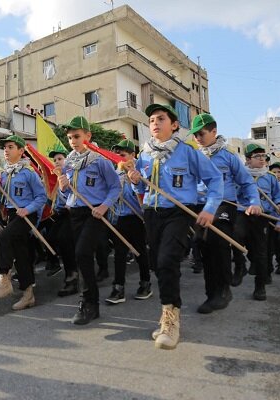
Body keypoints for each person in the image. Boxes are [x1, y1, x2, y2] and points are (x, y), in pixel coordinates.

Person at [127, 104, 223, 350]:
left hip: (179, 213)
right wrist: (135, 181)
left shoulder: (188, 153)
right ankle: (165, 312)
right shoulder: (145, 154)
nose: (155, 123)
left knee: (168, 259)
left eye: (160, 118)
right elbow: (141, 189)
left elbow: (214, 179)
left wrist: (210, 208)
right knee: (157, 264)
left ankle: (171, 319)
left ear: (175, 124)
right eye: (151, 120)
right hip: (151, 212)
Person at [189, 113, 261, 314]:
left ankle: (223, 290)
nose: (197, 138)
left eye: (201, 134)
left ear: (214, 132)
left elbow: (246, 182)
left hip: (224, 204)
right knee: (201, 243)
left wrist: (254, 202)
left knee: (217, 241)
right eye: (194, 135)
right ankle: (211, 293)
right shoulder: (194, 157)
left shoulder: (229, 157)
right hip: (201, 205)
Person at [55, 116, 121, 326]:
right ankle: (89, 301)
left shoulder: (99, 161)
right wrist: (63, 185)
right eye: (69, 137)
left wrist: (104, 206)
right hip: (75, 213)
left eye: (76, 136)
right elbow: (67, 193)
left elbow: (115, 187)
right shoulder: (69, 162)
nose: (73, 141)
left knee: (83, 253)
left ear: (87, 136)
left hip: (95, 213)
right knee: (78, 255)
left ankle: (89, 303)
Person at [0, 135, 47, 310]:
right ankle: (28, 295)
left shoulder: (29, 172)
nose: (6, 150)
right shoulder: (5, 172)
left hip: (27, 215)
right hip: (13, 215)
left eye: (10, 147)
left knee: (2, 238)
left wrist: (27, 209)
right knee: (21, 255)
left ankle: (4, 279)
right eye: (5, 147)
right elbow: (2, 200)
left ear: (21, 151)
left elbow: (41, 197)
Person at [235, 144, 280, 299]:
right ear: (248, 159)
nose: (262, 159)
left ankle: (260, 286)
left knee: (261, 251)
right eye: (257, 156)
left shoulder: (270, 177)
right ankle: (240, 266)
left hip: (262, 217)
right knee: (235, 237)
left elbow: (278, 195)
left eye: (263, 156)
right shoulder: (239, 174)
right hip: (242, 212)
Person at [105, 139, 152, 305]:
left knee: (140, 251)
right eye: (117, 154)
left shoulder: (142, 171)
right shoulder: (115, 173)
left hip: (137, 218)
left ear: (132, 155)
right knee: (119, 254)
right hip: (120, 217)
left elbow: (146, 194)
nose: (119, 157)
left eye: (123, 154)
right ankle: (118, 288)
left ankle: (145, 283)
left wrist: (134, 179)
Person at [44, 145, 78, 297]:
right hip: (60, 214)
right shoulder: (54, 176)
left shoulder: (71, 174)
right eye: (55, 159)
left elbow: (78, 192)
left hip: (73, 212)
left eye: (60, 159)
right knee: (50, 238)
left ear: (67, 160)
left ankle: (72, 277)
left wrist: (70, 204)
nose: (57, 162)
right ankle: (56, 264)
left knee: (65, 241)